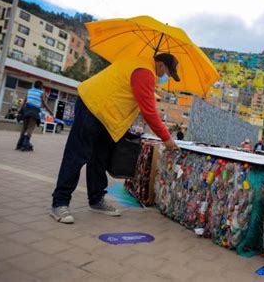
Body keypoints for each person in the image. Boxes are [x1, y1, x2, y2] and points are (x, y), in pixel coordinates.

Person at [50, 53, 180, 224]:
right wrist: (167, 139)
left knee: (99, 158)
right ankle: (59, 202)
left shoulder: (138, 63)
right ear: (161, 65)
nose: (164, 76)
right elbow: (149, 112)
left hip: (107, 115)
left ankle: (96, 200)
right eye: (167, 73)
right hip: (93, 106)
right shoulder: (144, 72)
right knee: (77, 155)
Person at [16, 81, 53, 151]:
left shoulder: (29, 91)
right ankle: (24, 145)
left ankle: (19, 144)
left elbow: (24, 101)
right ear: (41, 87)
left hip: (26, 109)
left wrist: (20, 109)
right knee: (31, 127)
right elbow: (44, 104)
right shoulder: (41, 93)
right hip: (34, 111)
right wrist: (50, 112)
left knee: (24, 127)